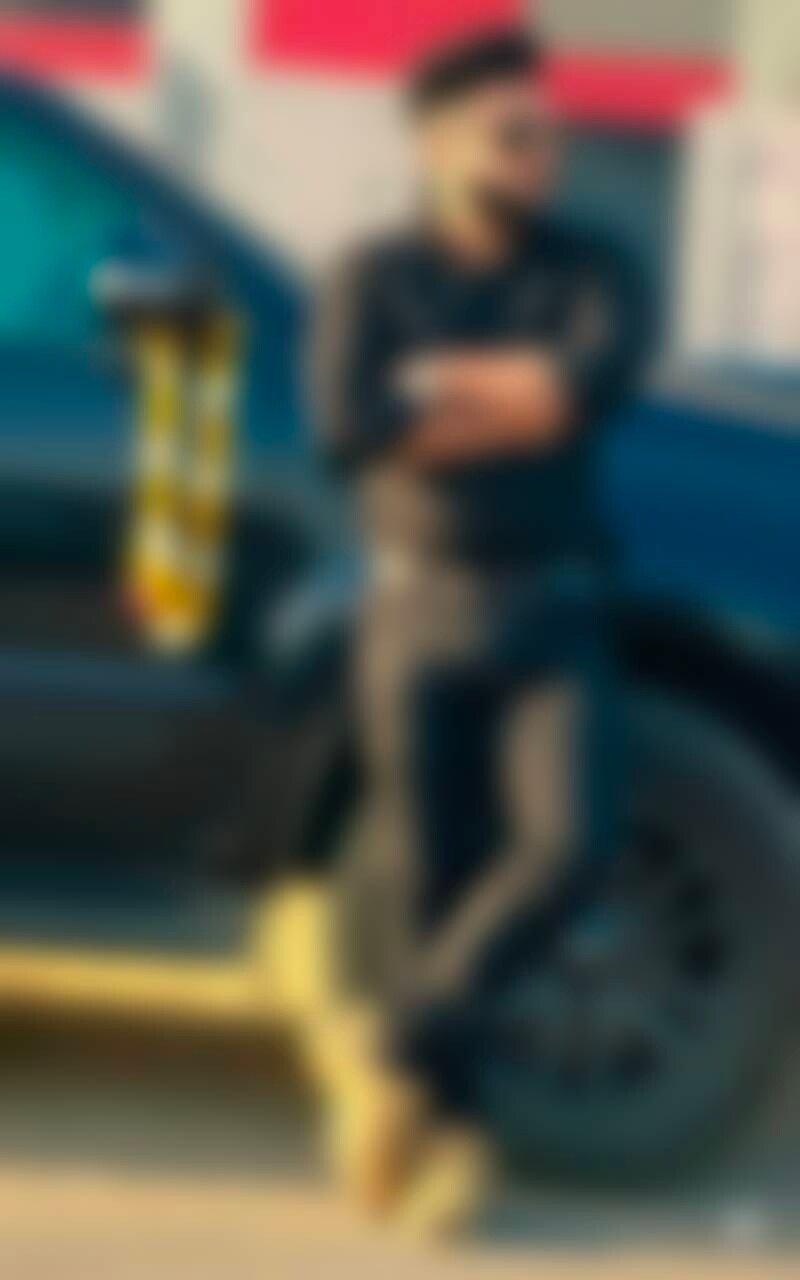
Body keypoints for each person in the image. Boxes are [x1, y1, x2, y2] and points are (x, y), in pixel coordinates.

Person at [309, 27, 651, 1234]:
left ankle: (389, 1044)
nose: (540, 153)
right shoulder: (369, 274)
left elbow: (580, 392)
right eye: (513, 134)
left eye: (547, 131)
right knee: (429, 875)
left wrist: (431, 388)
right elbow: (346, 426)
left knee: (569, 845)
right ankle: (448, 1146)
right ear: (438, 147)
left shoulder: (596, 266)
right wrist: (511, 392)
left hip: (552, 606)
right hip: (413, 610)